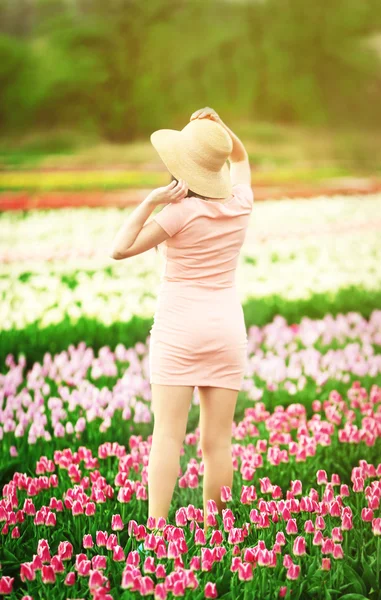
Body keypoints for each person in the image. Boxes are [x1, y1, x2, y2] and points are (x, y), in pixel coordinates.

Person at [109, 107, 253, 534]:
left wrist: (151, 201)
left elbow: (120, 249)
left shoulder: (176, 215)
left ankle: (156, 532)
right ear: (218, 168)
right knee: (218, 442)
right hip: (227, 329)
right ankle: (217, 532)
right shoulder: (241, 203)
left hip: (179, 330)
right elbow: (242, 160)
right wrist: (223, 129)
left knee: (168, 435)